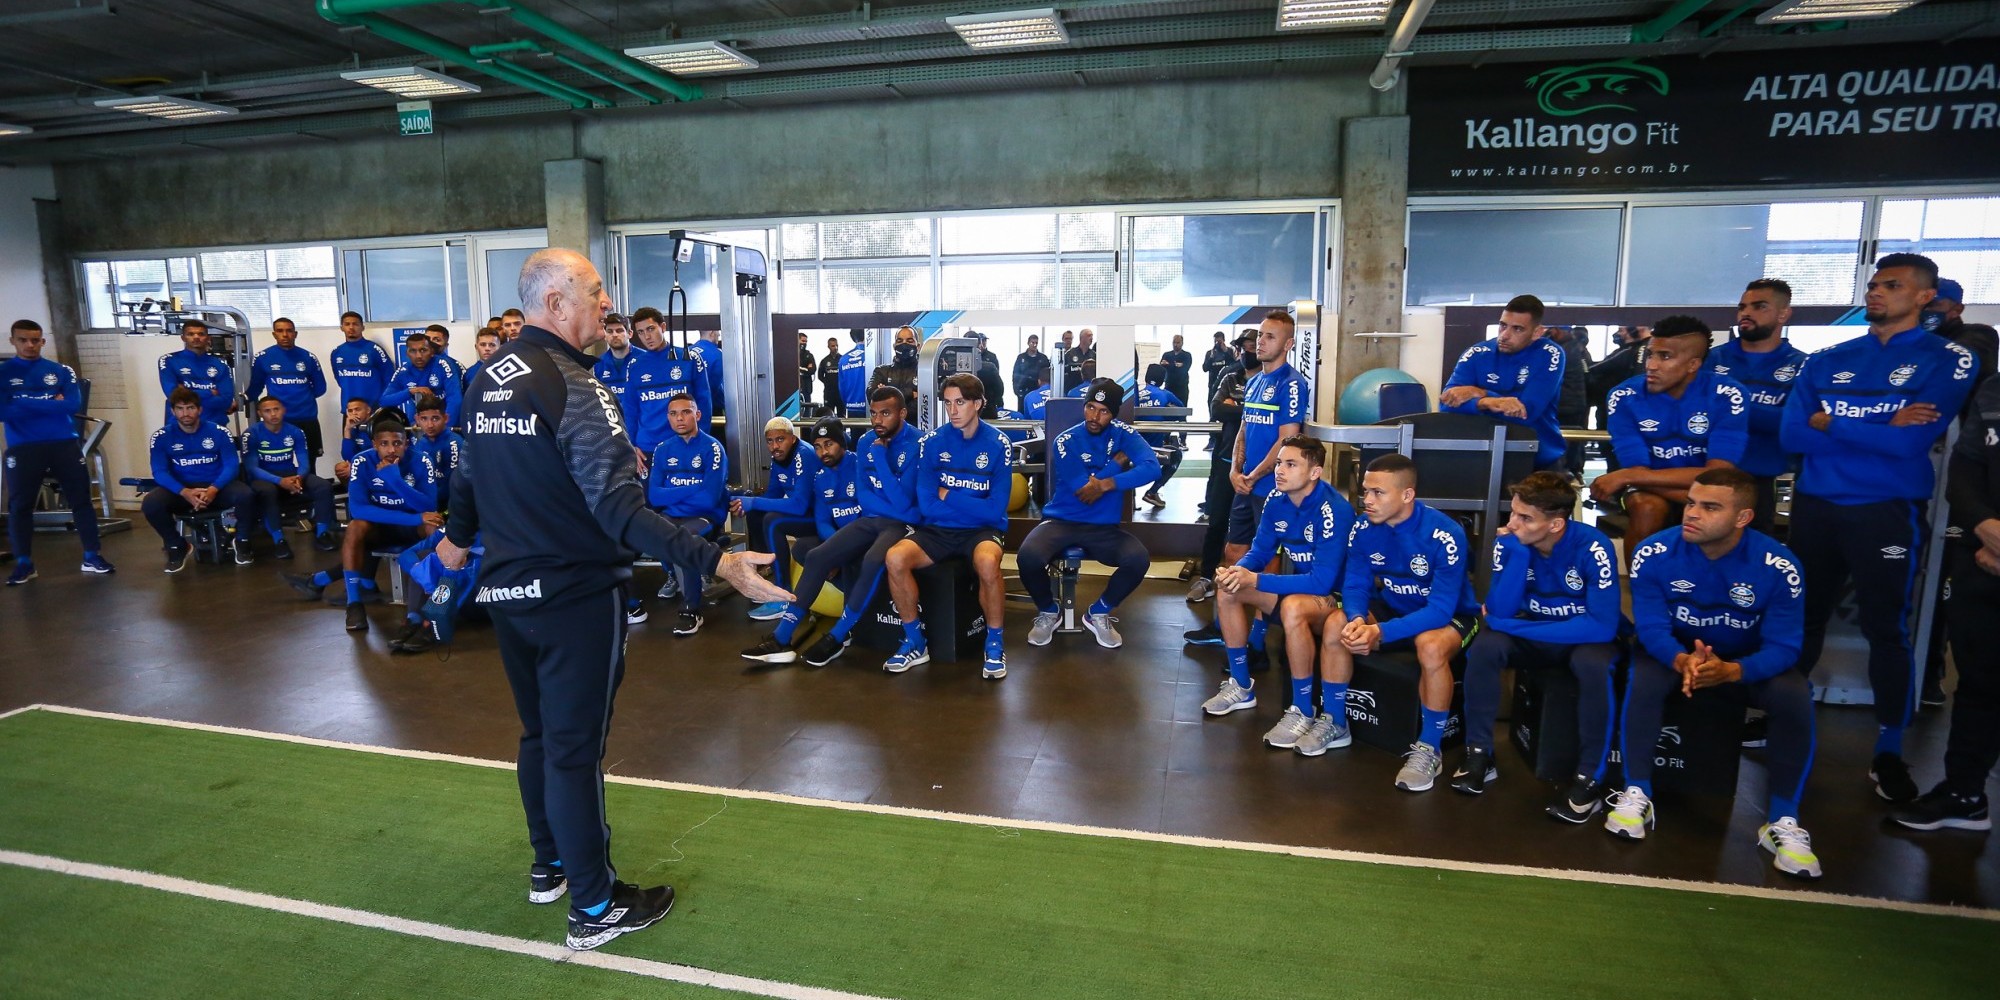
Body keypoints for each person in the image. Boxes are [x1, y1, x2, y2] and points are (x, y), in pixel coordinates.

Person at [433, 248, 787, 951]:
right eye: (596, 292)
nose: (607, 305)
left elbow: (466, 481)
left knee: (539, 739)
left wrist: (456, 539)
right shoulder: (577, 387)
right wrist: (719, 561)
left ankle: (551, 867)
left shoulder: (483, 381)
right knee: (573, 752)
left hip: (509, 593)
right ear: (558, 302)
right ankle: (594, 908)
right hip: (574, 595)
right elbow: (622, 509)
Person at [1781, 252, 1976, 804]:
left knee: (1887, 629)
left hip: (1886, 508)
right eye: (1872, 285)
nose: (1875, 293)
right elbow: (1795, 434)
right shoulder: (1828, 359)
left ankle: (1889, 749)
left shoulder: (1948, 359)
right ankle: (1779, 720)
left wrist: (1834, 421)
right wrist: (1876, 423)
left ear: (1923, 297)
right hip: (1816, 504)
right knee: (1802, 621)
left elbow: (1911, 442)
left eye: (1890, 285)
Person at [1614, 469, 1820, 880]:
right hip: (1675, 651)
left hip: (1744, 659)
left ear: (1742, 518)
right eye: (1691, 503)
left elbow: (1785, 647)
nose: (1692, 514)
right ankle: (1636, 792)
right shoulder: (1654, 552)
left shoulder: (1779, 565)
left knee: (1795, 695)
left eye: (1710, 507)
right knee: (1644, 678)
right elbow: (1652, 627)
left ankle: (1783, 820)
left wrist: (1734, 671)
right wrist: (1680, 660)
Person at [1452, 472, 1621, 819]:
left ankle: (1589, 779)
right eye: (1512, 513)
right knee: (1485, 648)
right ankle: (1480, 751)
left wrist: (1514, 626)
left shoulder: (1593, 546)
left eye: (1524, 518)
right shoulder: (1511, 543)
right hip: (1537, 630)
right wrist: (1518, 555)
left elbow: (1602, 627)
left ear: (1556, 524)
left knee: (1596, 664)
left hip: (1580, 638)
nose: (1512, 524)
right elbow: (1499, 610)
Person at [1325, 454, 1481, 792]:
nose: (1367, 500)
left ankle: (1429, 748)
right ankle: (1335, 723)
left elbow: (1440, 611)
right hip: (1394, 610)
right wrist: (1356, 620)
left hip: (1451, 616)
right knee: (1337, 622)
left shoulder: (1445, 533)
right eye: (1365, 491)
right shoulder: (1364, 527)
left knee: (1429, 645)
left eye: (1378, 493)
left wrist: (1379, 631)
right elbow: (1355, 584)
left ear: (1407, 495)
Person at [1201, 437, 1356, 761]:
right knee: (1228, 588)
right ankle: (1241, 686)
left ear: (1314, 472)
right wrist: (1239, 571)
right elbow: (1259, 552)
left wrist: (1256, 578)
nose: (1279, 471)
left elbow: (1322, 581)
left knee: (1294, 607)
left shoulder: (1334, 510)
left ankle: (1302, 709)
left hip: (1337, 598)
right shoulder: (1276, 498)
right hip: (1300, 591)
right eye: (1279, 463)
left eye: (1290, 464)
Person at [1895, 370, 2000, 832]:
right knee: (1980, 682)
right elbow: (1965, 466)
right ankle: (1965, 792)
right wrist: (1984, 527)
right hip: (1983, 553)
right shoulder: (1995, 389)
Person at [881, 374, 1013, 678]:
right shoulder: (931, 443)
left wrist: (949, 494)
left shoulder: (998, 444)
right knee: (895, 557)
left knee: (988, 562)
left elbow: (995, 510)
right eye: (948, 403)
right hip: (938, 530)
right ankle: (915, 642)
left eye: (961, 402)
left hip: (980, 532)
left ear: (978, 404)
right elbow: (927, 505)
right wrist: (970, 505)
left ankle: (994, 644)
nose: (953, 410)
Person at [1591, 315, 1750, 556]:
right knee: (1647, 508)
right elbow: (1637, 471)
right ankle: (1640, 589)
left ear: (1693, 364)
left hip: (1710, 489)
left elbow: (1718, 476)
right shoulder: (1623, 396)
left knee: (1722, 507)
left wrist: (1626, 477)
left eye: (1665, 356)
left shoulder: (1729, 394)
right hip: (1647, 490)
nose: (1651, 365)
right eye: (1650, 354)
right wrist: (1632, 477)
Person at [1020, 381, 1160, 649]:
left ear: (1114, 413)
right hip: (1061, 520)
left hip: (1103, 527)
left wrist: (1106, 483)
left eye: (1103, 411)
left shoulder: (1124, 434)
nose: (1094, 417)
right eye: (1090, 408)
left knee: (1138, 559)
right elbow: (1084, 491)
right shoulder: (1066, 440)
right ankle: (1049, 611)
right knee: (1028, 557)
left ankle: (1098, 612)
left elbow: (1152, 468)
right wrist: (1116, 465)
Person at [1209, 313, 1308, 665]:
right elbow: (1244, 430)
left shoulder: (1291, 383)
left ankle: (1259, 642)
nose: (1261, 342)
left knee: (1267, 563)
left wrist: (1255, 474)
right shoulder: (1252, 382)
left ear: (1288, 344)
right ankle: (1230, 627)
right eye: (1261, 336)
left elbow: (1287, 439)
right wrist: (1237, 469)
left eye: (1270, 337)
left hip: (1272, 489)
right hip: (1245, 483)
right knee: (1235, 553)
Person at [283, 409, 439, 632]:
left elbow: (429, 506)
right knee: (355, 527)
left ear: (407, 444)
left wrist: (395, 480)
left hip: (412, 531)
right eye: (384, 443)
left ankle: (433, 600)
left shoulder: (421, 459)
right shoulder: (361, 461)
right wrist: (413, 516)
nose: (391, 449)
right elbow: (358, 509)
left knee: (433, 525)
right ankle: (354, 604)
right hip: (381, 528)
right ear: (374, 444)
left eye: (397, 443)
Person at [738, 416, 869, 664]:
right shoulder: (821, 478)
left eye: (829, 444)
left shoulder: (860, 466)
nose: (822, 452)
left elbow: (871, 515)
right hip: (841, 539)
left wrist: (840, 550)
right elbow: (822, 522)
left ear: (843, 443)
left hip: (867, 537)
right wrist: (836, 549)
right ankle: (782, 638)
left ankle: (847, 627)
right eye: (818, 446)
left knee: (841, 557)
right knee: (805, 550)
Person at [2, 319, 113, 584]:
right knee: (20, 506)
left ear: (42, 341)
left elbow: (72, 405)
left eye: (35, 340)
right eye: (23, 340)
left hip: (63, 443)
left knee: (81, 500)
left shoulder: (61, 371)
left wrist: (22, 401)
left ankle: (91, 556)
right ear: (13, 341)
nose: (30, 345)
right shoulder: (4, 373)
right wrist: (49, 402)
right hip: (24, 447)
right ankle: (25, 564)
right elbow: (3, 411)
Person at [1708, 279, 1809, 532]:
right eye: (1742, 307)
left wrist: (1729, 407)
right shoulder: (1711, 359)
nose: (1746, 313)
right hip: (1703, 474)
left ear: (1783, 314)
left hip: (1760, 481)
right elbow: (1692, 412)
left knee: (1750, 561)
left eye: (1759, 306)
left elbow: (1791, 422)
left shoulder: (1803, 365)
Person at [1440, 294, 1567, 470]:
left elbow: (1525, 412)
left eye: (1517, 329)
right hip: (1483, 458)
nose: (1505, 335)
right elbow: (1447, 404)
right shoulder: (1477, 353)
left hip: (1538, 461)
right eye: (1503, 325)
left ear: (1537, 332)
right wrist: (1489, 401)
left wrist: (1480, 393)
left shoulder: (1550, 353)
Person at [144, 386, 257, 571]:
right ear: (172, 411)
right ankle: (177, 546)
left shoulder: (219, 432)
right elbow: (159, 472)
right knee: (151, 504)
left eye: (190, 408)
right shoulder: (161, 437)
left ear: (200, 409)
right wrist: (185, 492)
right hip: (182, 490)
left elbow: (231, 465)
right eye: (180, 408)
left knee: (246, 495)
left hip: (216, 487)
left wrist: (213, 489)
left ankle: (242, 542)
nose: (185, 413)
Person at [644, 393, 729, 636]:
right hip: (672, 515)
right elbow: (655, 497)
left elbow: (709, 498)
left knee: (682, 538)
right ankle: (675, 575)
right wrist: (695, 486)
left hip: (705, 516)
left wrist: (673, 491)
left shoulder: (713, 447)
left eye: (686, 412)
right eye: (673, 414)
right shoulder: (662, 449)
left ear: (697, 415)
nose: (679, 418)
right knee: (651, 530)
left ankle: (692, 609)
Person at [733, 416, 823, 622]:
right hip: (805, 515)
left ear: (792, 438)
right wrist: (745, 503)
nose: (775, 446)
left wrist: (754, 502)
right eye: (770, 441)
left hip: (821, 519)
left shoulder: (804, 455)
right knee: (757, 513)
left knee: (773, 520)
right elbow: (772, 495)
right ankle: (767, 575)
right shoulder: (778, 458)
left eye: (780, 439)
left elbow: (799, 505)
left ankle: (782, 594)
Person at [1184, 358, 1250, 607]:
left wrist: (1237, 407)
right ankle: (1206, 578)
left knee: (1258, 530)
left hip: (1261, 468)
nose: (1249, 350)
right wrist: (1249, 410)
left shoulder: (1272, 383)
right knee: (1217, 520)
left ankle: (1250, 584)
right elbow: (1217, 409)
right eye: (1244, 347)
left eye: (1253, 345)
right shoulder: (1231, 379)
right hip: (1225, 460)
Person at [242, 395, 337, 559]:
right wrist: (280, 481)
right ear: (259, 413)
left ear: (283, 410)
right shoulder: (251, 434)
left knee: (323, 486)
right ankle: (279, 540)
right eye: (267, 411)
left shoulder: (295, 431)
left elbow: (304, 462)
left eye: (276, 409)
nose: (273, 414)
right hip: (263, 478)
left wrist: (299, 477)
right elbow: (252, 468)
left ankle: (322, 534)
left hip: (291, 474)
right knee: (267, 491)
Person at [625, 306, 712, 463]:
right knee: (652, 488)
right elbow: (630, 410)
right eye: (641, 332)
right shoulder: (635, 366)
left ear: (663, 327)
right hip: (647, 448)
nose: (647, 336)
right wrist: (632, 445)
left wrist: (701, 440)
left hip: (684, 443)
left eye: (650, 329)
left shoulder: (690, 358)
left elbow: (704, 403)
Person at [245, 316, 328, 466]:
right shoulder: (263, 358)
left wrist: (302, 399)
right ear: (274, 334)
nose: (285, 335)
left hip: (306, 417)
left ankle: (309, 487)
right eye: (280, 331)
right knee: (276, 460)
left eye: (289, 331)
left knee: (309, 461)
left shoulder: (308, 357)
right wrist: (241, 399)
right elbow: (256, 387)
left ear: (295, 334)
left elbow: (321, 387)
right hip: (276, 419)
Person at [157, 319, 235, 425]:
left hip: (214, 424)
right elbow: (173, 395)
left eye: (201, 334)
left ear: (208, 338)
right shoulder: (168, 360)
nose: (196, 337)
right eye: (191, 334)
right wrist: (210, 393)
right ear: (183, 338)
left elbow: (226, 401)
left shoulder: (221, 364)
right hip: (179, 426)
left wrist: (187, 392)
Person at [1923, 277, 1998, 387]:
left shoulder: (1979, 334)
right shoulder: (1914, 337)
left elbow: (1958, 361)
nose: (1925, 310)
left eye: (1933, 304)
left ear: (1957, 309)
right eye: (1921, 305)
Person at [381, 330, 462, 426]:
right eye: (413, 351)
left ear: (432, 352)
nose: (418, 356)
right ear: (407, 353)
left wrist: (444, 426)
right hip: (417, 425)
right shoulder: (403, 372)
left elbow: (455, 398)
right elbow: (384, 401)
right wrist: (410, 391)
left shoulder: (443, 365)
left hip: (445, 424)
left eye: (423, 350)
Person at [1134, 363, 1185, 509]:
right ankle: (1152, 492)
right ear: (1163, 379)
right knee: (1176, 455)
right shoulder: (1165, 394)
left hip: (1132, 448)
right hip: (1152, 450)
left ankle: (1130, 499)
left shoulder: (1136, 392)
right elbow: (1182, 410)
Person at [408, 393, 466, 510]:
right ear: (417, 419)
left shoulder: (455, 444)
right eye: (424, 419)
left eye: (435, 418)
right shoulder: (419, 444)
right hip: (427, 502)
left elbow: (453, 487)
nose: (430, 425)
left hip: (451, 506)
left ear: (445, 418)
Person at [1588, 326, 1650, 428]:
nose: (1618, 334)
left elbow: (1597, 368)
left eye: (1621, 330)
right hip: (1611, 402)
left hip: (1620, 404)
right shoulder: (1626, 350)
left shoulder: (1635, 350)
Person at [330, 311, 392, 411]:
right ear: (341, 328)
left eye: (355, 324)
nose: (351, 327)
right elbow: (339, 379)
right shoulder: (336, 352)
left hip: (373, 408)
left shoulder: (374, 350)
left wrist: (382, 402)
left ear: (362, 327)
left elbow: (389, 378)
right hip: (349, 409)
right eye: (347, 324)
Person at [590, 313, 640, 419]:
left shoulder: (644, 359)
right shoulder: (598, 364)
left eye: (619, 330)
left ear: (630, 333)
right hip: (614, 424)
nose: (614, 335)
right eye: (609, 331)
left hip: (640, 424)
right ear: (605, 335)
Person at [868, 326, 920, 404]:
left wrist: (887, 394)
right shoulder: (881, 372)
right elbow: (873, 397)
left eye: (909, 341)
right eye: (900, 341)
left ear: (918, 347)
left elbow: (924, 403)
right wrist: (911, 394)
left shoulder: (926, 372)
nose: (904, 344)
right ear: (894, 346)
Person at [335, 398, 374, 482]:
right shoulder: (354, 426)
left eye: (357, 409)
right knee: (340, 468)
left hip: (378, 465)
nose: (354, 413)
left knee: (349, 470)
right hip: (362, 463)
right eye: (350, 411)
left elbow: (379, 457)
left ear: (368, 410)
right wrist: (347, 429)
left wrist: (356, 468)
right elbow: (347, 457)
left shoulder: (376, 426)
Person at [692, 329, 725, 416]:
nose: (718, 335)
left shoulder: (687, 352)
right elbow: (716, 387)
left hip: (690, 407)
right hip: (712, 408)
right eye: (717, 332)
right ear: (711, 332)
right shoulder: (718, 354)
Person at [1013, 333, 1050, 410]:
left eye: (1036, 343)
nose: (1034, 345)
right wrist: (1017, 391)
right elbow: (1015, 375)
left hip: (1038, 391)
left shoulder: (1043, 358)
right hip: (1023, 391)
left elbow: (1047, 374)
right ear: (1028, 343)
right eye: (1032, 343)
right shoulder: (1021, 357)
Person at [838, 328, 870, 416]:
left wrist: (848, 403)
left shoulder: (843, 359)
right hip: (870, 406)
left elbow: (841, 387)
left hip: (851, 406)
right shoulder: (872, 356)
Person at [1161, 333, 1194, 406]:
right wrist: (1175, 366)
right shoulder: (1167, 355)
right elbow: (1162, 368)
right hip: (1169, 386)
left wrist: (1169, 365)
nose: (1175, 345)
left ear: (1182, 343)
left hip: (1181, 388)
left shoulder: (1187, 355)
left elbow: (1185, 369)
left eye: (1178, 343)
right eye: (1174, 342)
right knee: (1167, 410)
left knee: (1181, 409)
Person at [818, 336, 843, 416]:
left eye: (836, 345)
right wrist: (828, 383)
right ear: (828, 346)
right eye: (833, 346)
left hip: (841, 393)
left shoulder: (843, 359)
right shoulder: (824, 361)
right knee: (828, 415)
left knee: (841, 415)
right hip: (829, 393)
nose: (835, 348)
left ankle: (843, 429)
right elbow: (820, 376)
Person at [797, 332, 816, 410]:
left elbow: (812, 370)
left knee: (807, 409)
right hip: (794, 388)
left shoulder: (809, 355)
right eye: (802, 341)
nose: (804, 343)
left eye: (806, 341)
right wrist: (805, 369)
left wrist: (800, 368)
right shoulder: (791, 354)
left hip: (806, 387)